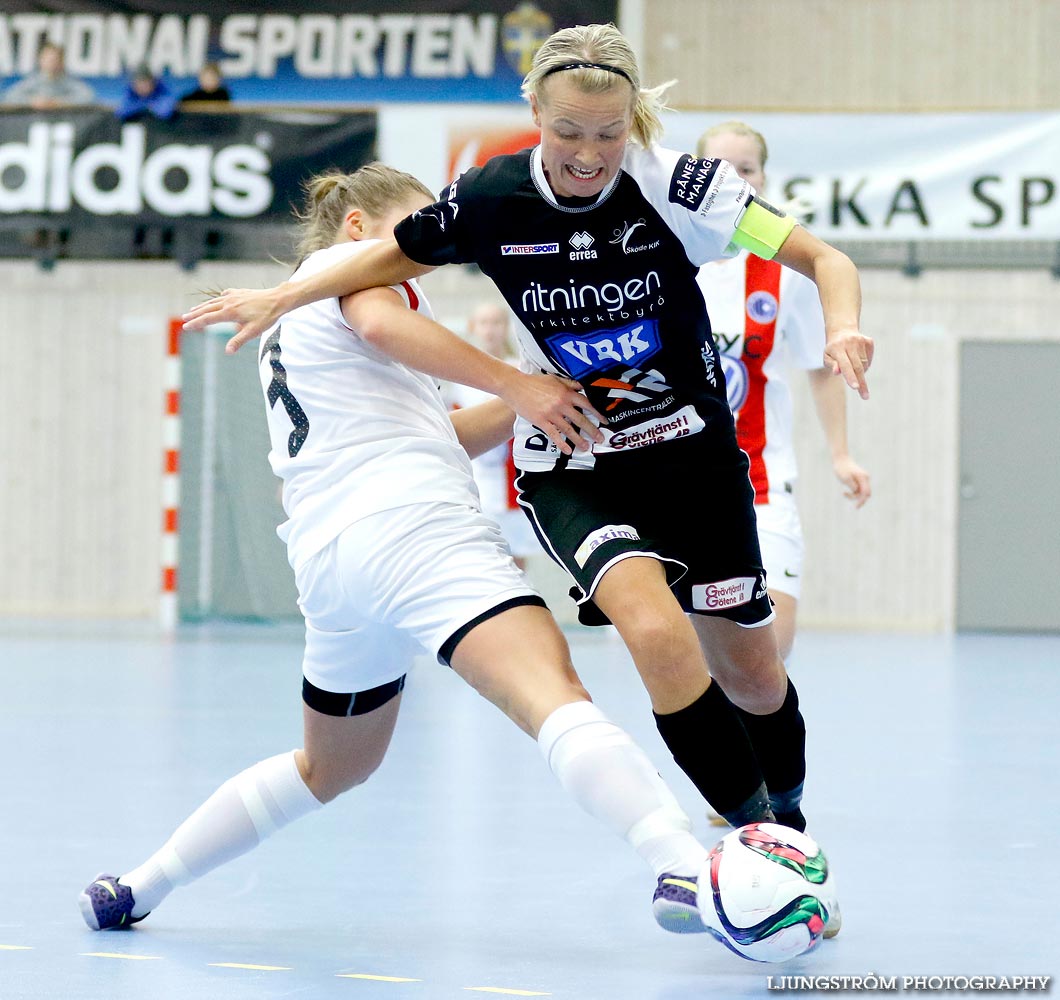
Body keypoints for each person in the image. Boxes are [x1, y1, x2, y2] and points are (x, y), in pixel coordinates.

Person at [183, 24, 873, 935]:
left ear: (635, 121)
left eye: (610, 133)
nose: (590, 153)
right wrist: (284, 294)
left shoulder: (687, 190)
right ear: (535, 115)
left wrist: (844, 327)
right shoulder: (494, 195)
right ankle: (752, 845)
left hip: (693, 457)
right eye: (570, 132)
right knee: (649, 626)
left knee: (752, 673)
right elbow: (384, 262)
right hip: (576, 453)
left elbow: (827, 259)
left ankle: (785, 813)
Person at [79, 163, 719, 937]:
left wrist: (548, 401)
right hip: (412, 528)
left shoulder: (294, 322)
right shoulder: (344, 275)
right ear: (356, 227)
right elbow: (382, 324)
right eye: (415, 229)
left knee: (332, 766)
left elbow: (437, 434)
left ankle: (138, 887)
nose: (429, 248)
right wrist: (517, 384)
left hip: (331, 563)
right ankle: (681, 866)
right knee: (550, 690)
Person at [695, 121, 872, 666]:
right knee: (698, 656)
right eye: (718, 169)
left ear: (762, 179)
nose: (731, 180)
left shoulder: (783, 272)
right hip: (679, 481)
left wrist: (840, 453)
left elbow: (819, 366)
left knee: (769, 651)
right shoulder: (666, 258)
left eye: (745, 170)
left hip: (763, 479)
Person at [445, 301, 540, 569]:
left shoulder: (521, 370)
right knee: (483, 555)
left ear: (506, 327)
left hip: (513, 479)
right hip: (477, 480)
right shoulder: (456, 375)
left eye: (496, 322)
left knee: (516, 554)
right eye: (484, 323)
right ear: (473, 327)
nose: (490, 330)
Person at [1, 42, 95, 109]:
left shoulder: (69, 82)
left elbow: (87, 96)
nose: (51, 63)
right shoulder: (32, 81)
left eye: (55, 59)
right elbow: (10, 96)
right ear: (40, 60)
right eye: (48, 59)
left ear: (62, 61)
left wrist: (59, 103)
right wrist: (32, 102)